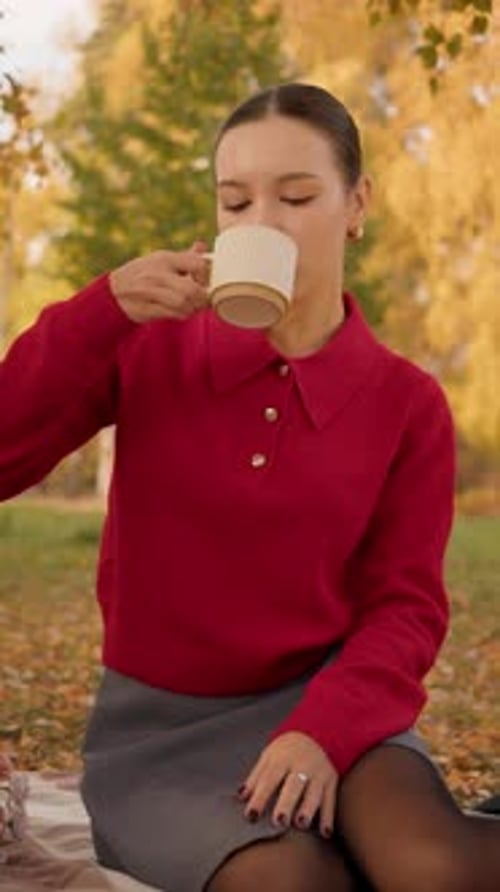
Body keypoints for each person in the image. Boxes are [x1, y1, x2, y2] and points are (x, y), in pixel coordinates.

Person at [0, 83, 498, 892]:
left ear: (356, 205)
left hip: (331, 707)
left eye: (295, 197)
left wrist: (323, 731)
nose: (261, 223)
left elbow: (405, 610)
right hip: (161, 739)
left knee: (433, 866)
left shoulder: (407, 403)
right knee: (295, 883)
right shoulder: (146, 347)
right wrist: (101, 311)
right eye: (236, 202)